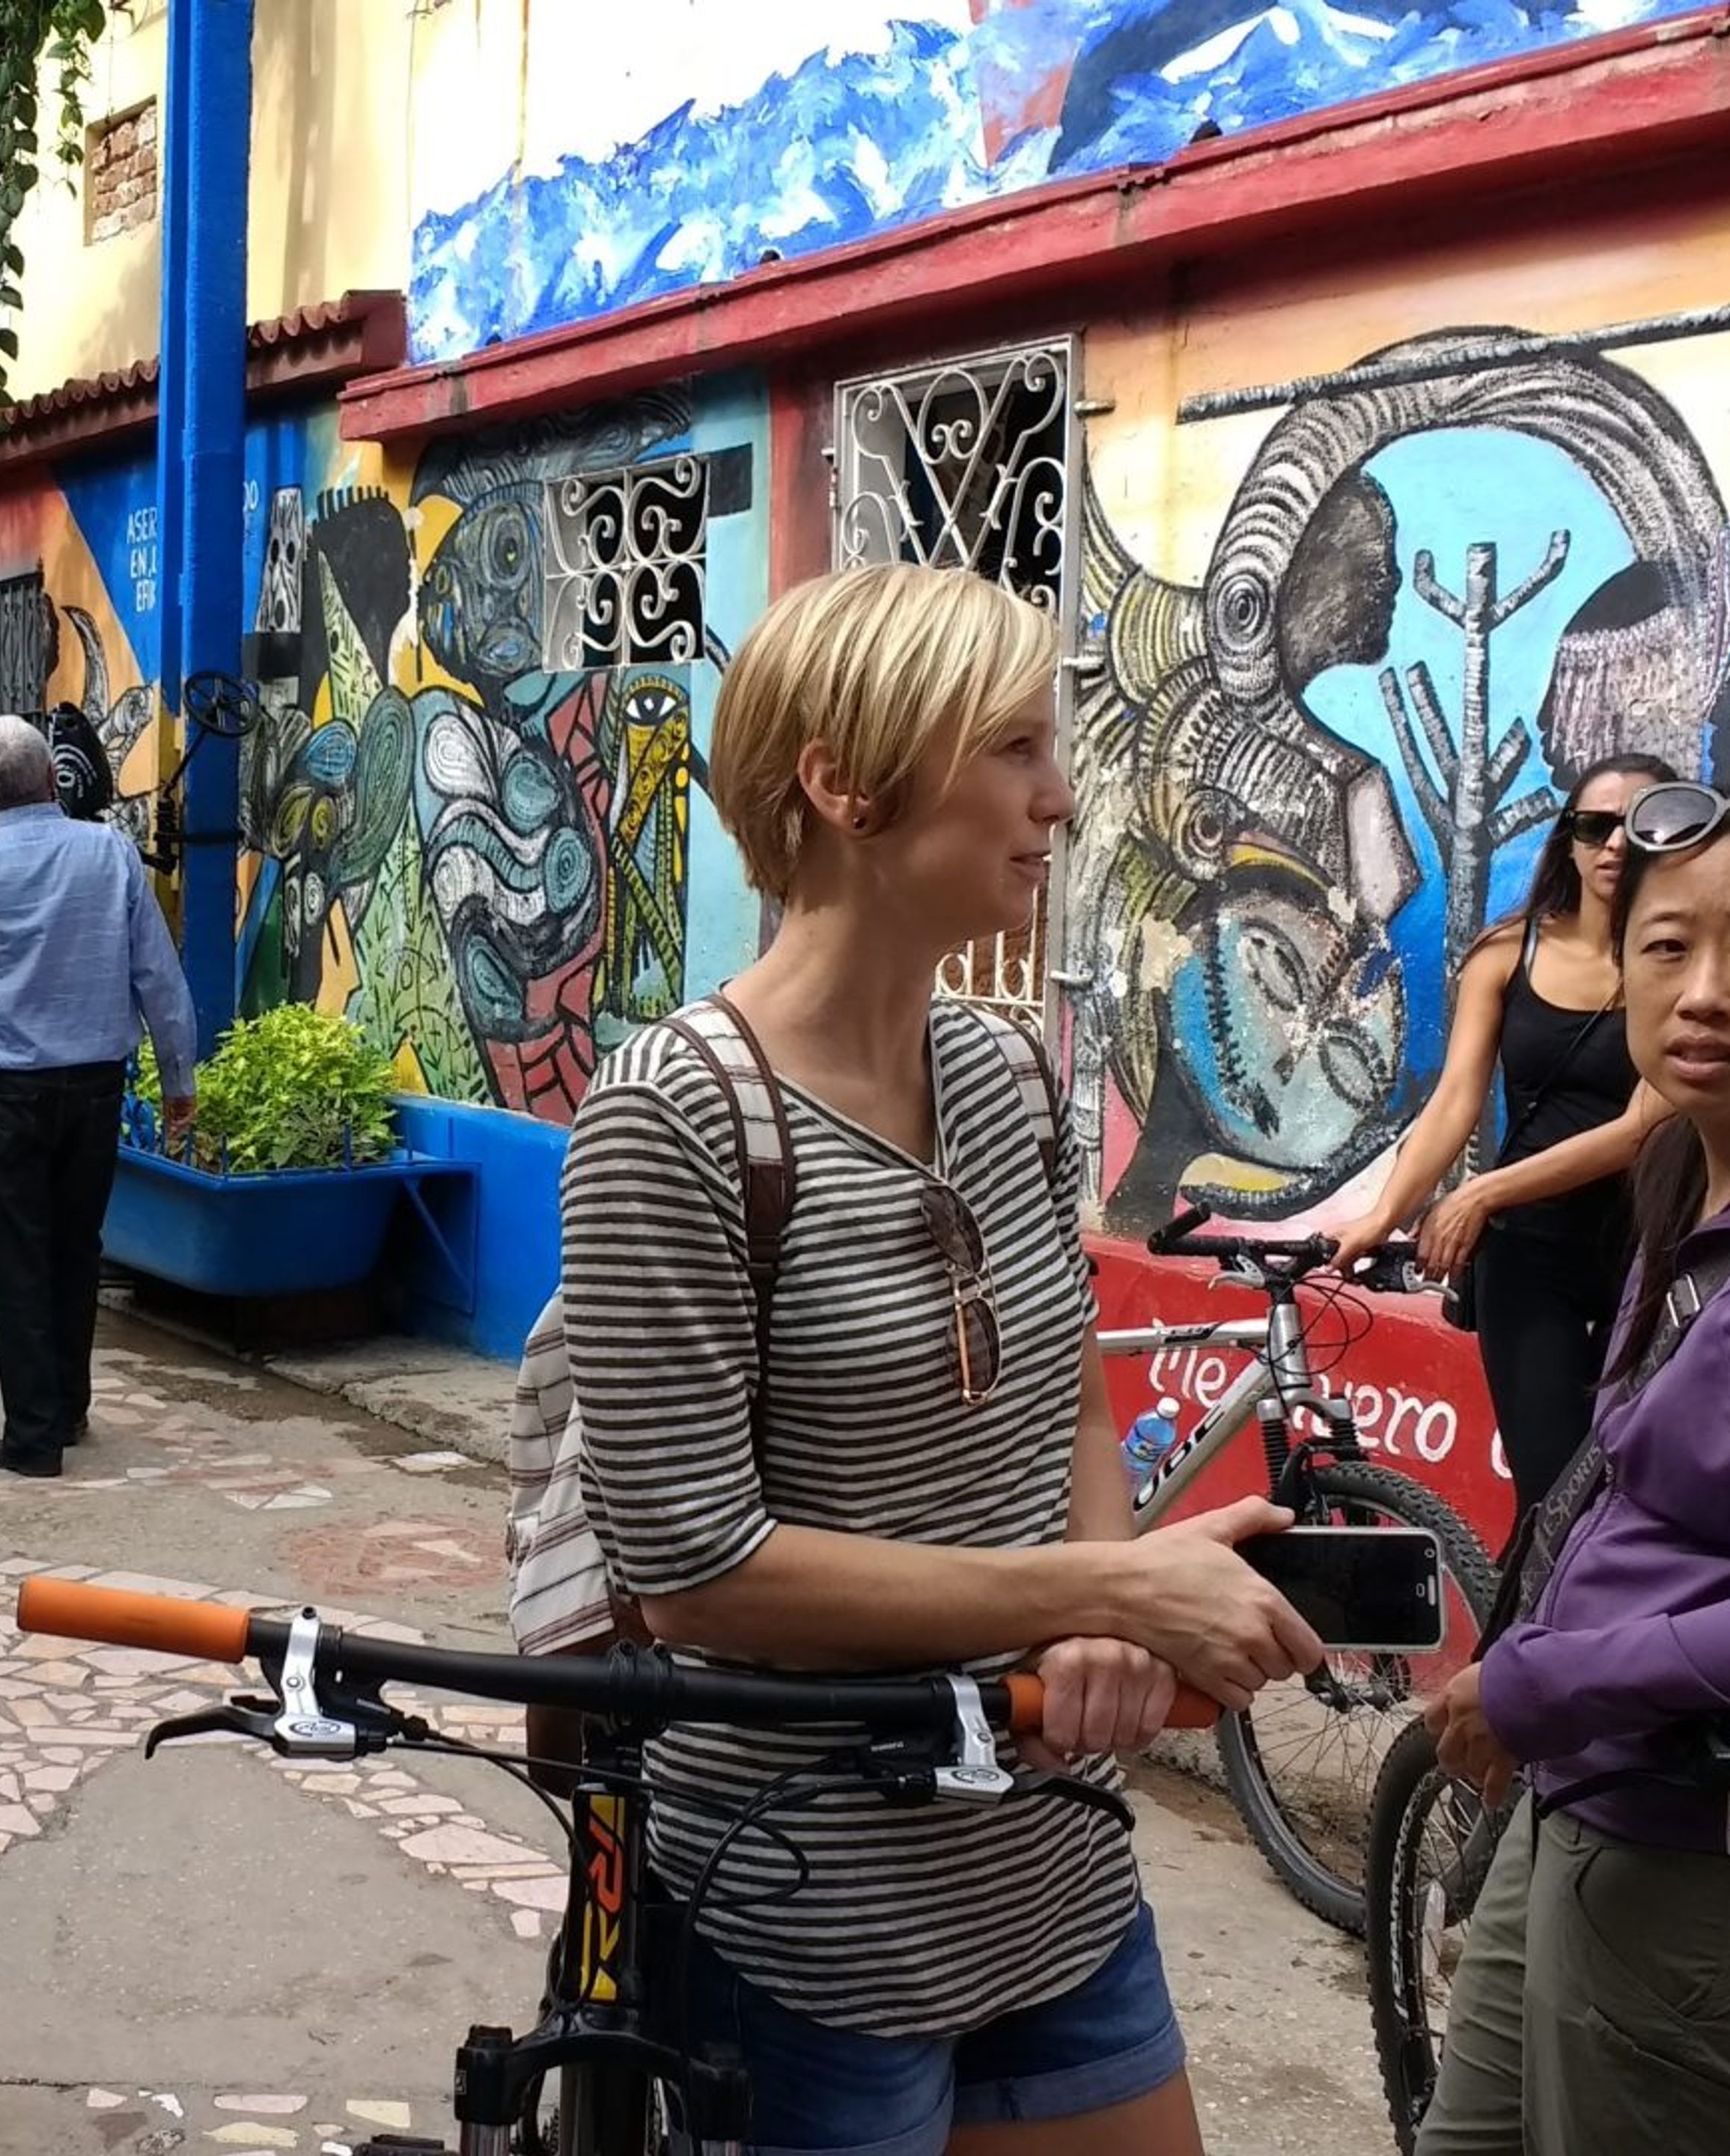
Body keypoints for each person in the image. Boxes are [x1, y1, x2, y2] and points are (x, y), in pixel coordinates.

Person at [558, 564, 1322, 2155]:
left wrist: (1105, 1597)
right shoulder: (671, 1115)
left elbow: (1069, 1382)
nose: (1057, 795)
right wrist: (1105, 1594)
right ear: (844, 783)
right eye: (1013, 749)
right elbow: (698, 1573)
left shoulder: (1006, 1071)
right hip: (798, 1909)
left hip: (1044, 1852)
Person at [1414, 776, 1730, 2155]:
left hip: (1682, 1839)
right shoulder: (1680, 1179)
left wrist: (1542, 1682)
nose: (1707, 992)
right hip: (1577, 1797)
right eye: (1670, 947)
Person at [1332, 755, 1680, 1520]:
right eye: (1595, 826)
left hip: (1650, 1249)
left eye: (1638, 825)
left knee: (1630, 1496)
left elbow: (1641, 1128)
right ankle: (1526, 1639)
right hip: (1531, 1256)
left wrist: (1480, 1193)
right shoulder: (1507, 954)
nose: (1616, 844)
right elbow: (1454, 1102)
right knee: (1552, 1495)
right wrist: (1382, 1216)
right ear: (1569, 841)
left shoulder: (1683, 967)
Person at [0, 715, 196, 1479]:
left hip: (8, 1093)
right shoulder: (109, 855)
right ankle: (68, 1407)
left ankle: (33, 1435)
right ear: (52, 778)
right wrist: (179, 1078)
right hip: (95, 1088)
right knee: (78, 1246)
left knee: (17, 1258)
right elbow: (159, 978)